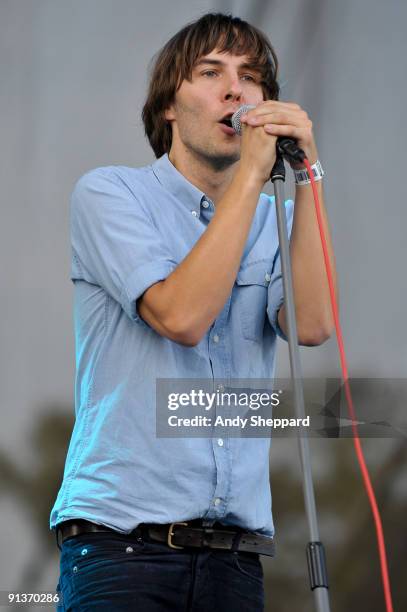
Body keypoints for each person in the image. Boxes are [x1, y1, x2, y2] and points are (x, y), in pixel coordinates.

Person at [51, 12, 336, 612]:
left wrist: (308, 175)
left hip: (237, 557)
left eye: (252, 77)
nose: (236, 89)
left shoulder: (277, 220)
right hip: (121, 550)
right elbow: (181, 317)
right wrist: (253, 176)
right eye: (212, 73)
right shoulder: (110, 194)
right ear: (168, 109)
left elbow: (310, 327)